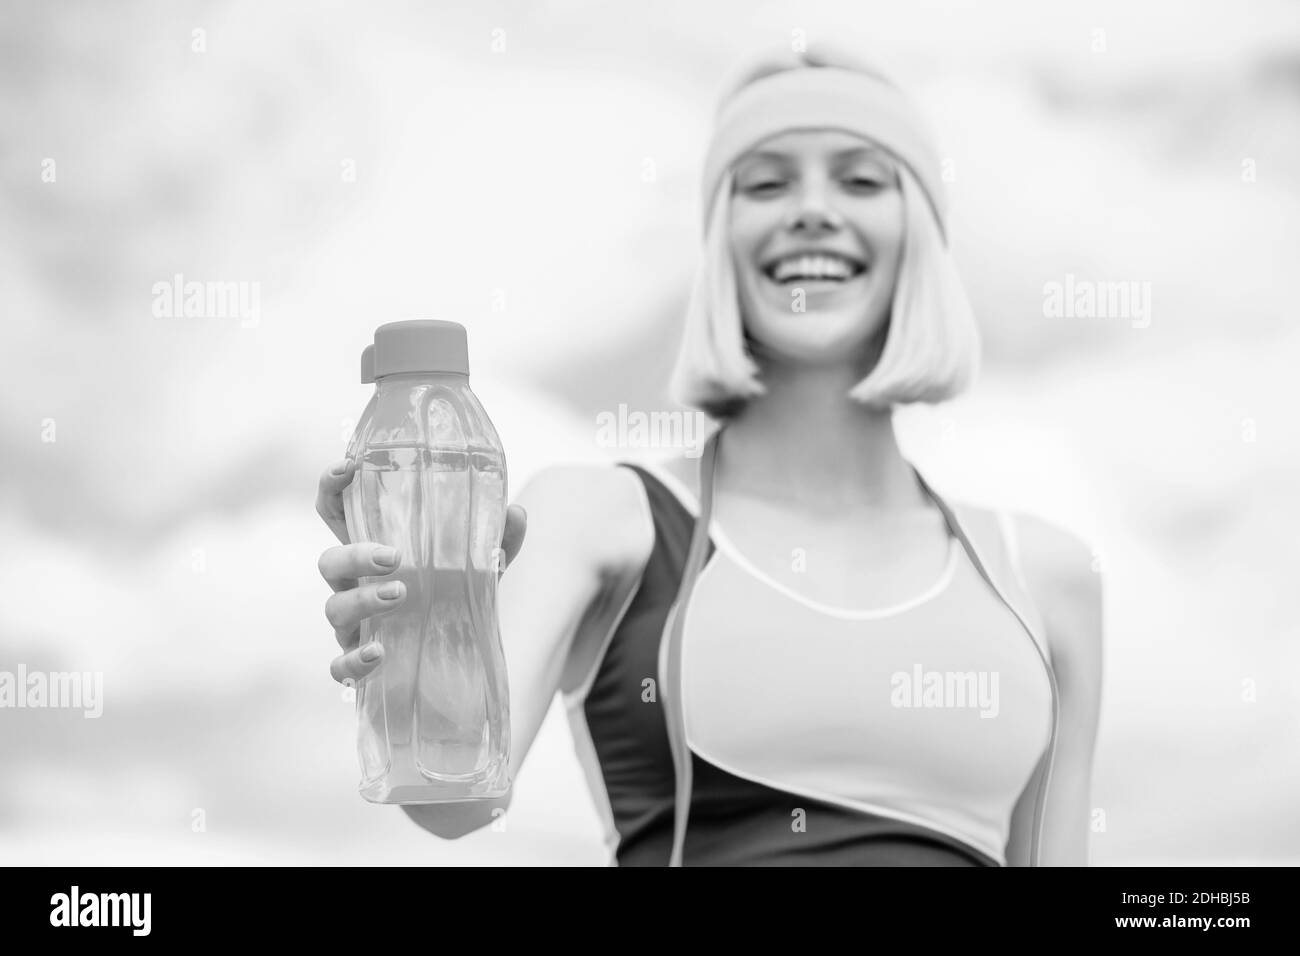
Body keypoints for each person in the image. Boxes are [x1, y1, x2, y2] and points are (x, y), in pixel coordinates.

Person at [315, 46, 1103, 867]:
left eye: (862, 179)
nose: (812, 209)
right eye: (765, 183)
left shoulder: (1047, 579)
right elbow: (450, 804)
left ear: (923, 240)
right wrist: (407, 629)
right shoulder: (599, 519)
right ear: (717, 244)